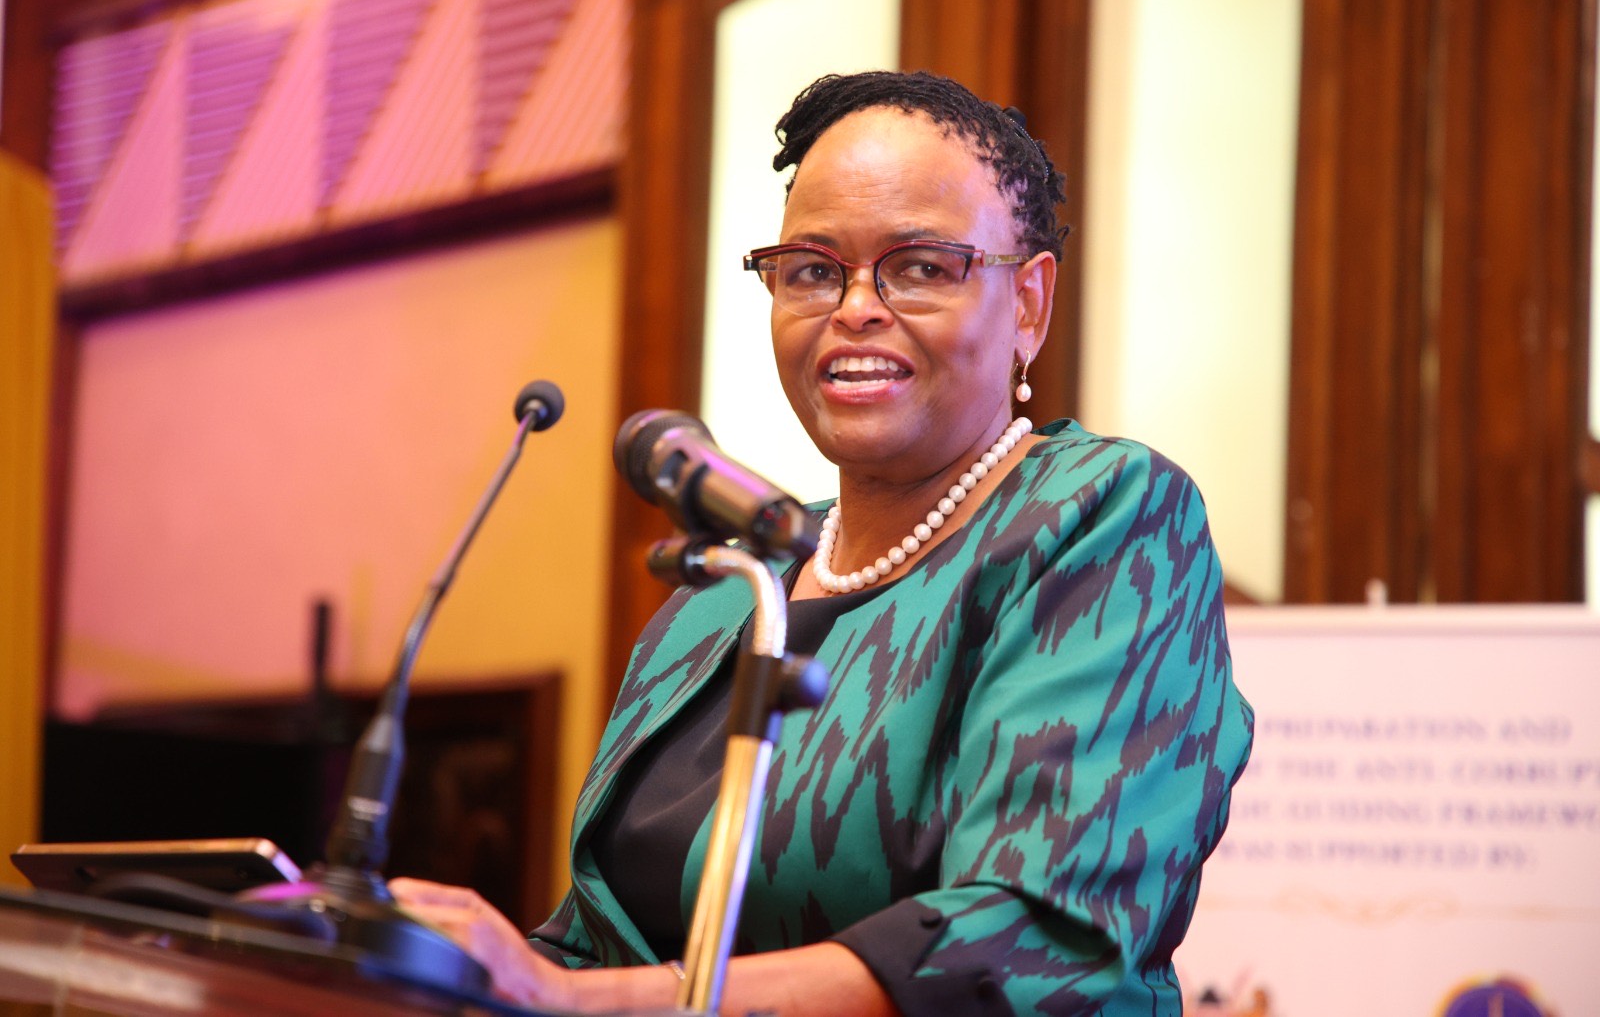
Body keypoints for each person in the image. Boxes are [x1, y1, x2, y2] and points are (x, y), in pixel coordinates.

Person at [392, 69, 1253, 1015]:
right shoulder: (724, 596)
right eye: (811, 269)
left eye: (921, 265)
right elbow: (607, 947)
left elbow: (1034, 943)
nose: (853, 307)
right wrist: (435, 963)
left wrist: (570, 1001)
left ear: (1030, 306)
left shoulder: (1102, 516)